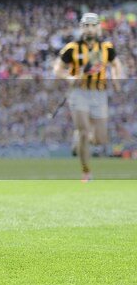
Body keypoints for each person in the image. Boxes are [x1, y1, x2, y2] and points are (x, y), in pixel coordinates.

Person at [53, 12, 125, 182]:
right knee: (84, 131)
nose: (90, 29)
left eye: (93, 25)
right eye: (86, 25)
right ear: (81, 28)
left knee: (100, 139)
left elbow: (116, 64)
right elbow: (57, 68)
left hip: (99, 94)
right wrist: (69, 78)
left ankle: (79, 139)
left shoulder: (107, 47)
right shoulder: (72, 48)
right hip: (79, 93)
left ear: (98, 27)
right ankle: (86, 172)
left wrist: (116, 78)